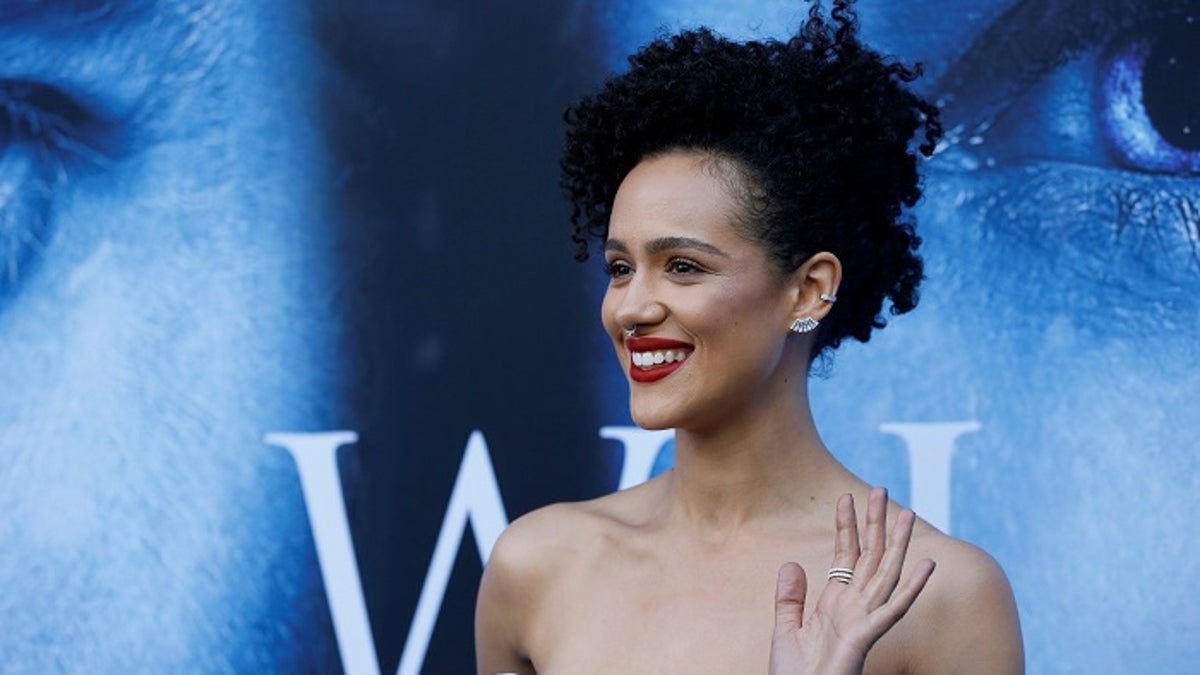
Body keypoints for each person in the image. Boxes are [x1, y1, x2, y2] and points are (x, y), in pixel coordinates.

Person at [475, 2, 1024, 673]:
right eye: (621, 268)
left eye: (683, 266)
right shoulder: (535, 566)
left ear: (809, 290)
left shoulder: (940, 597)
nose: (632, 308)